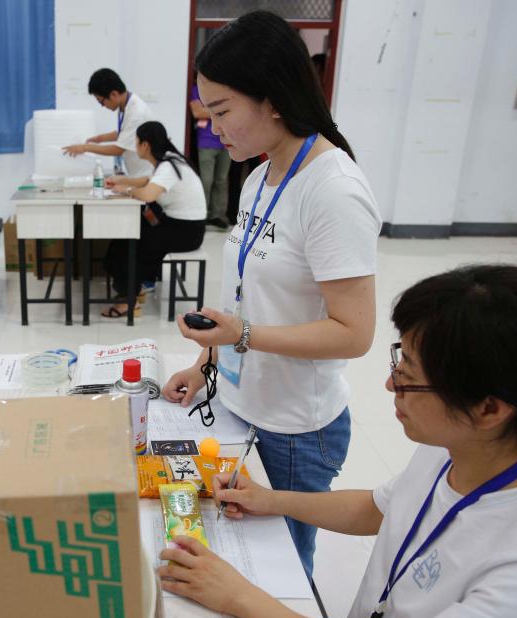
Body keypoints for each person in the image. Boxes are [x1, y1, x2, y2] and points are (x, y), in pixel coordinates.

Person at [158, 264, 517, 618]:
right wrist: (271, 500)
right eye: (399, 363)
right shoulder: (461, 447)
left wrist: (237, 594)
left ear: (489, 409)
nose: (389, 385)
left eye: (410, 377)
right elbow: (377, 509)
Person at [161, 11, 381, 576]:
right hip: (242, 404)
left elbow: (354, 334)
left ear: (274, 100)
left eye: (222, 111)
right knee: (237, 555)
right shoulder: (260, 177)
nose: (213, 128)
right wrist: (205, 362)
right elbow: (246, 299)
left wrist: (245, 336)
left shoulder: (333, 190)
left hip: (294, 428)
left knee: (282, 570)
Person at [102, 121, 205, 318]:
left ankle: (128, 299)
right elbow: (148, 181)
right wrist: (122, 181)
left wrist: (127, 189)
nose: (135, 146)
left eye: (136, 142)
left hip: (186, 232)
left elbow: (148, 194)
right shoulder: (168, 160)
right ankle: (137, 286)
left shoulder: (167, 166)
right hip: (185, 227)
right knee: (130, 234)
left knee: (129, 242)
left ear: (145, 145)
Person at [61, 68, 154, 178]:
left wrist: (84, 147)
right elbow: (126, 133)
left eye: (101, 101)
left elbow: (118, 150)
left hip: (148, 174)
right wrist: (100, 138)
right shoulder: (125, 105)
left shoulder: (136, 113)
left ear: (114, 94)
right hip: (138, 173)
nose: (102, 106)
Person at [189, 84, 231, 228]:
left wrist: (208, 110)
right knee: (206, 181)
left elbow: (232, 111)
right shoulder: (196, 89)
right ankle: (201, 215)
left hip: (226, 141)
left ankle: (218, 215)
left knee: (221, 180)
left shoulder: (224, 89)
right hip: (206, 142)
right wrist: (222, 111)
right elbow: (197, 113)